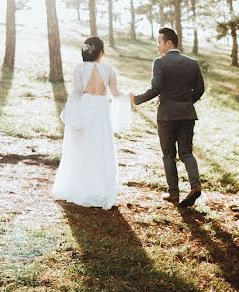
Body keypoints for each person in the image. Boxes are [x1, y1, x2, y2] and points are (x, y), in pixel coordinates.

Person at [130, 27, 205, 207]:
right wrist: (186, 103)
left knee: (168, 155)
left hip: (166, 116)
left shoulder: (160, 62)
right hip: (187, 114)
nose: (157, 46)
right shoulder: (193, 63)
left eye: (159, 42)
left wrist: (137, 99)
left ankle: (173, 194)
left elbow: (156, 89)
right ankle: (195, 185)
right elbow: (200, 90)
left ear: (168, 43)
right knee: (186, 152)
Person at [53, 36, 130, 209]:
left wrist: (69, 112)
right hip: (102, 109)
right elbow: (116, 94)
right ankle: (100, 190)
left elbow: (77, 92)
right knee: (101, 147)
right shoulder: (109, 70)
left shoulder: (79, 68)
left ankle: (79, 187)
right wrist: (128, 96)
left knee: (80, 147)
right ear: (101, 52)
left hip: (85, 108)